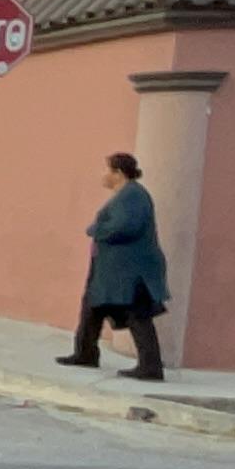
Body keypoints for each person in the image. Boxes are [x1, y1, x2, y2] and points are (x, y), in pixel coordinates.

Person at [59, 151, 169, 382]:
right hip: (114, 271)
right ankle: (85, 353)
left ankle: (150, 367)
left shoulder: (133, 196)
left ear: (118, 173)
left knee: (137, 315)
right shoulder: (127, 195)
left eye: (107, 170)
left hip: (132, 272)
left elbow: (125, 226)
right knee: (92, 308)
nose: (104, 175)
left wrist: (95, 229)